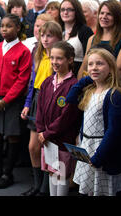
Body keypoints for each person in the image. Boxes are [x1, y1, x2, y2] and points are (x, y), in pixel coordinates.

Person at [67, 48, 121, 196]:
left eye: (100, 64)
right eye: (90, 64)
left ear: (110, 68)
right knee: (90, 190)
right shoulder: (90, 91)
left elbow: (113, 131)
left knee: (102, 190)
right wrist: (87, 79)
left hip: (102, 149)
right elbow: (70, 98)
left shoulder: (113, 94)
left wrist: (99, 156)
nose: (94, 67)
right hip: (87, 146)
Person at [0, 14, 32, 189]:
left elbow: (22, 80)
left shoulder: (23, 51)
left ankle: (7, 173)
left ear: (18, 28)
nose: (4, 29)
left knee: (12, 135)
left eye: (9, 26)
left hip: (11, 101)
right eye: (2, 26)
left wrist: (5, 100)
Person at [20, 21, 63, 196]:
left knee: (49, 147)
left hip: (51, 101)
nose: (45, 39)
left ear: (58, 38)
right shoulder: (37, 52)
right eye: (42, 35)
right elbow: (32, 82)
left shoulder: (58, 55)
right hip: (37, 98)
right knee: (33, 146)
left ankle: (45, 188)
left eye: (50, 35)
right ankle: (37, 184)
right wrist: (27, 104)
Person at [36, 41, 81, 196]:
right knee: (51, 171)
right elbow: (40, 109)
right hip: (47, 139)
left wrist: (47, 133)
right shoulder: (47, 82)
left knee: (61, 174)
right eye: (52, 58)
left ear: (70, 60)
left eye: (59, 58)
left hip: (62, 139)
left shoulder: (73, 85)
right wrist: (41, 130)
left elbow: (67, 117)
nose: (54, 62)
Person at [78, 0, 121, 79]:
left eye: (109, 14)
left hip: (115, 85)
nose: (104, 17)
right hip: (92, 84)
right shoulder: (92, 38)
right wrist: (79, 86)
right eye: (102, 13)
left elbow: (120, 69)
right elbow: (85, 66)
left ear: (117, 17)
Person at [59, 0, 94, 76]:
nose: (65, 12)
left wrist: (80, 75)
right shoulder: (58, 29)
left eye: (70, 9)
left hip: (77, 74)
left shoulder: (85, 30)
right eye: (62, 9)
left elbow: (89, 56)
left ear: (77, 11)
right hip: (59, 74)